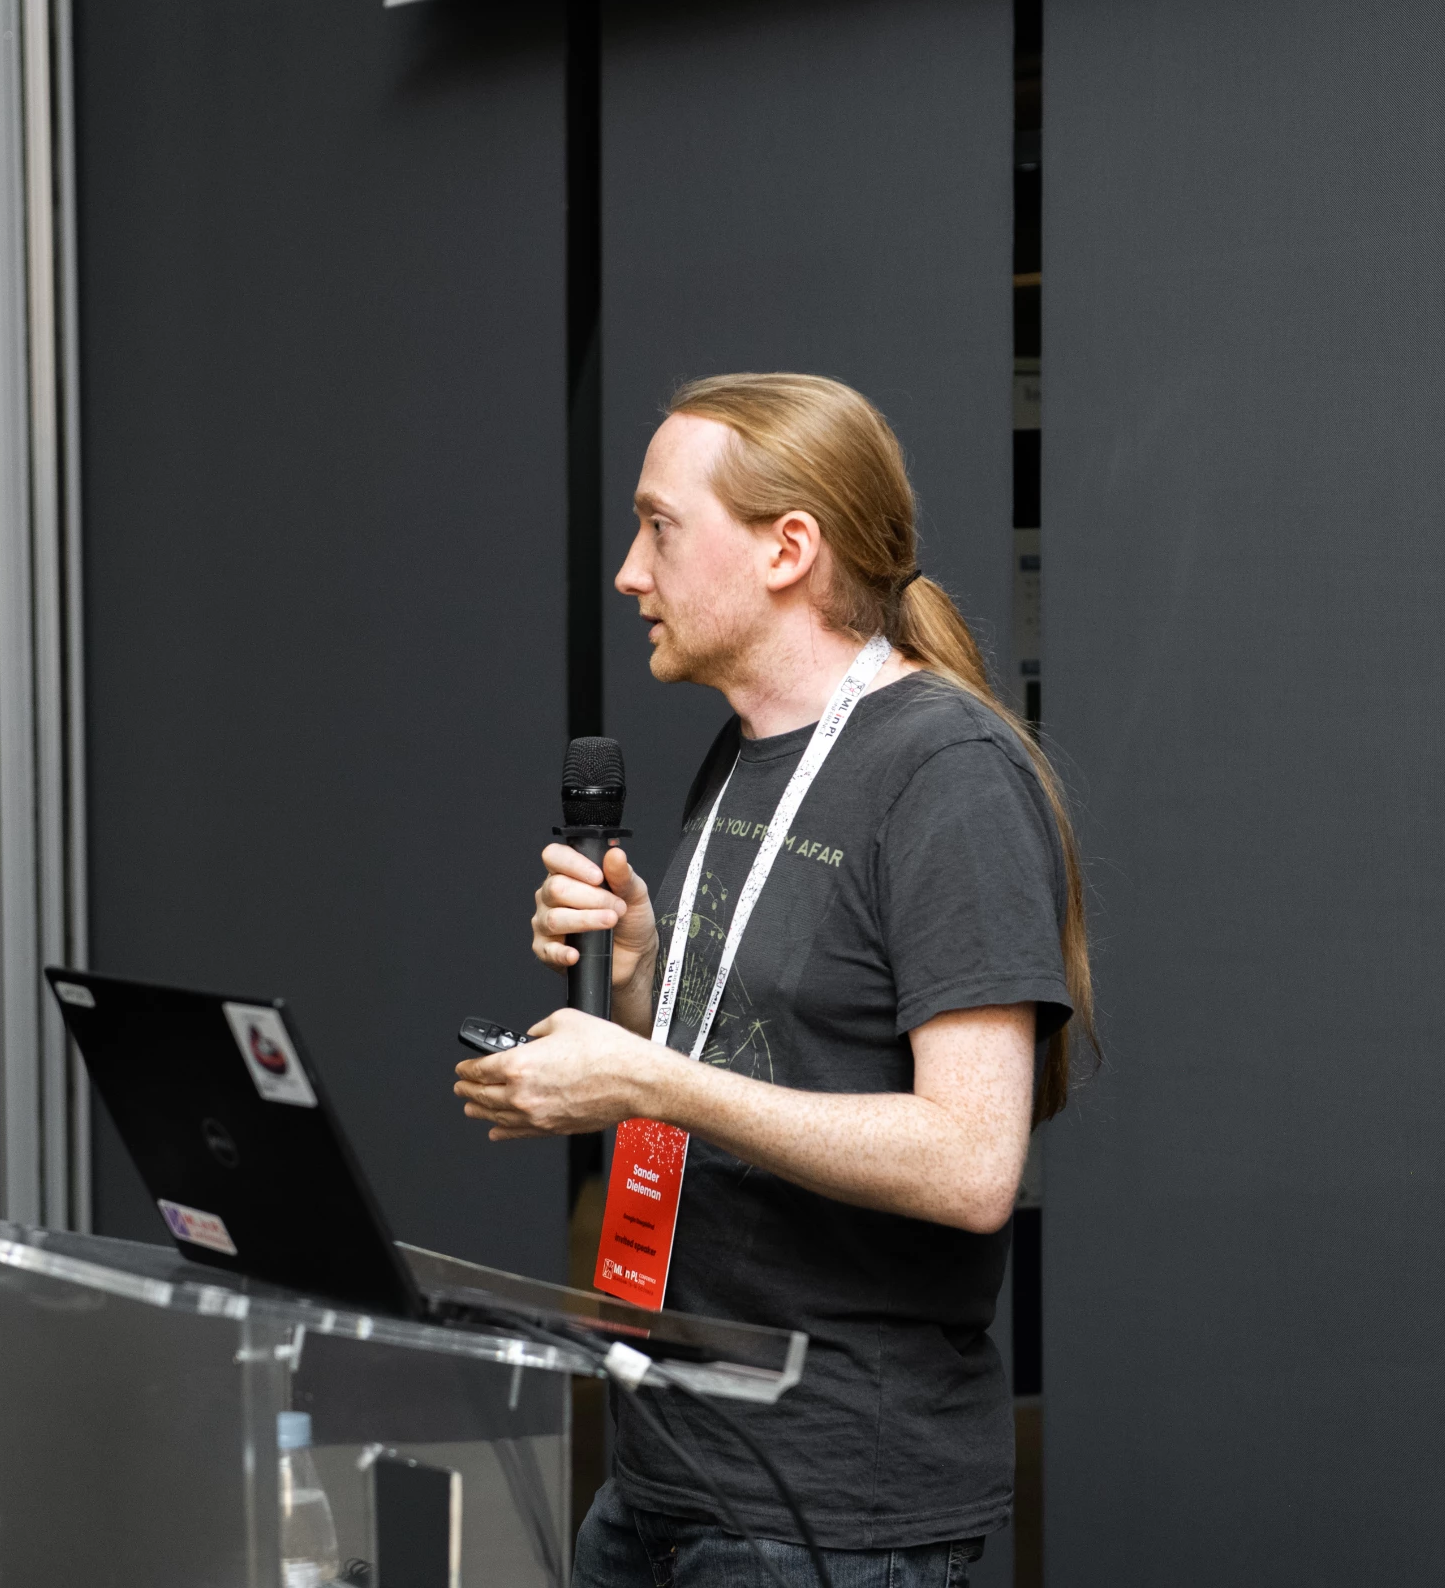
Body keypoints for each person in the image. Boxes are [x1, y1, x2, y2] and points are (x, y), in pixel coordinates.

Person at [452, 373, 1094, 1588]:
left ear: (788, 549)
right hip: (666, 1471)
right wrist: (642, 976)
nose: (629, 573)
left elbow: (971, 1164)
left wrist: (645, 1078)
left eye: (660, 527)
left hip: (828, 1514)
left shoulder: (948, 775)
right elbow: (758, 1058)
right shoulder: (748, 749)